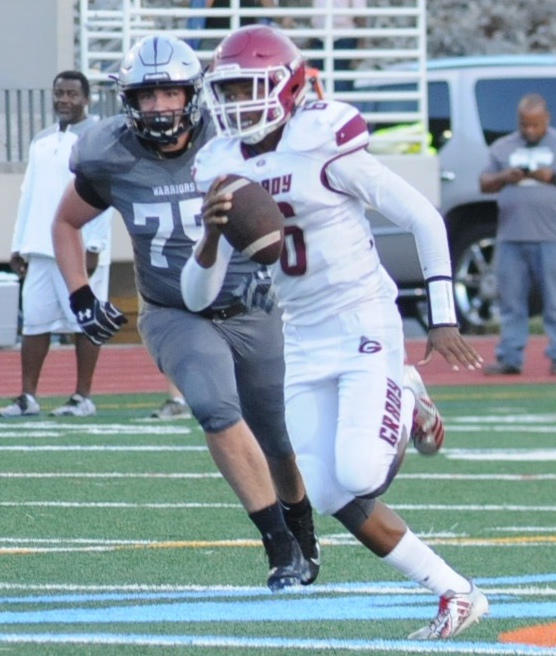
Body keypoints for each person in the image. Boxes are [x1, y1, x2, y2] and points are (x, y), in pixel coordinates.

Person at [181, 25, 489, 640]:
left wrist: (443, 313)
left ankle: (407, 394)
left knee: (357, 468)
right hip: (301, 333)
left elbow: (424, 217)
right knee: (325, 491)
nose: (237, 99)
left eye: (249, 84)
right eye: (228, 87)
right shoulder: (217, 164)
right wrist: (213, 234)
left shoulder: (322, 139)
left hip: (362, 318)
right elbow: (198, 294)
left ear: (289, 85)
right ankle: (457, 593)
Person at [51, 35, 319, 592]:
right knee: (214, 408)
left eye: (170, 92)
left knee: (277, 437)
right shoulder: (109, 152)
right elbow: (66, 222)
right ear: (128, 100)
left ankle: (301, 524)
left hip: (251, 305)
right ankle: (278, 546)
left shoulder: (231, 139)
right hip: (175, 311)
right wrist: (80, 293)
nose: (159, 108)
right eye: (146, 96)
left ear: (193, 93)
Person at [0, 71, 112, 419]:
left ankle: (82, 396)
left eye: (71, 94)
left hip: (81, 248)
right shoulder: (42, 140)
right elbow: (28, 193)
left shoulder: (97, 137)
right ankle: (28, 397)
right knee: (34, 323)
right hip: (40, 247)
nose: (63, 100)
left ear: (86, 98)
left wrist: (95, 245)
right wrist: (18, 244)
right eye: (58, 93)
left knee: (84, 323)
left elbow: (104, 192)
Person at [480, 93, 556, 376]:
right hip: (511, 236)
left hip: (551, 235)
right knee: (511, 302)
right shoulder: (503, 147)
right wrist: (504, 177)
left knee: (555, 302)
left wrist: (550, 177)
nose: (529, 131)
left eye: (535, 125)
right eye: (525, 125)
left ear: (546, 119)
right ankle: (509, 357)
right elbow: (484, 182)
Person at [308, 0, 366, 92]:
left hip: (343, 38)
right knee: (318, 82)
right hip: (319, 38)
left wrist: (361, 44)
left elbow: (360, 14)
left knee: (341, 81)